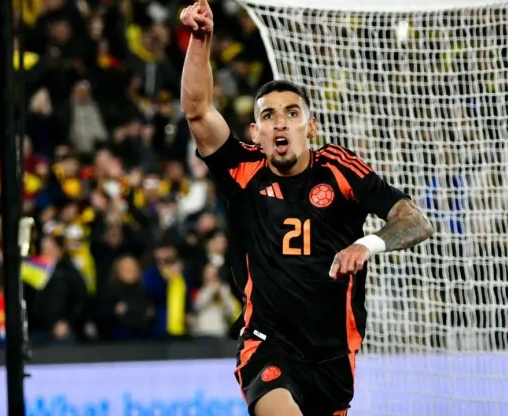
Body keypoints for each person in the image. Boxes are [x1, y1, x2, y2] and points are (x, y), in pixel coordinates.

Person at [179, 1, 434, 415]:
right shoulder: (243, 171)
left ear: (309, 127)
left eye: (291, 113)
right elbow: (197, 110)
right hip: (268, 344)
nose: (281, 123)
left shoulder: (340, 170)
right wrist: (201, 38)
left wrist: (368, 244)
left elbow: (415, 220)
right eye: (269, 115)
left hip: (334, 354)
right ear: (255, 131)